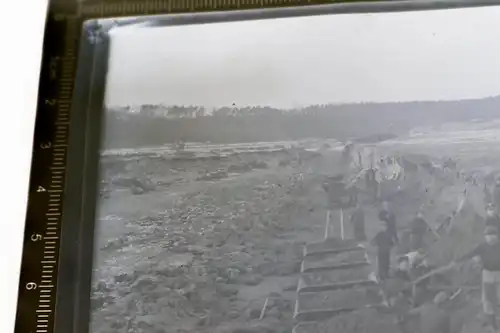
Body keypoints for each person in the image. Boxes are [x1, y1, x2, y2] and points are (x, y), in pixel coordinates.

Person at [453, 226, 500, 331]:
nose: (490, 238)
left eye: (492, 236)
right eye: (488, 236)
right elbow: (470, 254)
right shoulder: (482, 247)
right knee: (487, 300)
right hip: (487, 274)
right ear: (485, 237)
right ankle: (492, 324)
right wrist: (457, 260)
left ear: (497, 236)